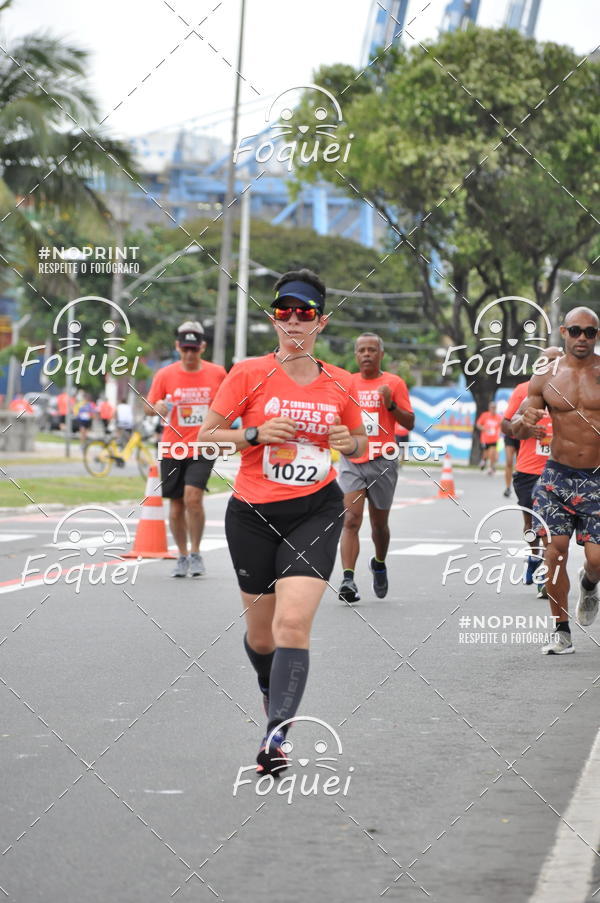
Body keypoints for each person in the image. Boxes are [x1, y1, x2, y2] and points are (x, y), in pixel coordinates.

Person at [198, 269, 366, 774]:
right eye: (284, 311)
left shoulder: (341, 381)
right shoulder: (248, 373)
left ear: (321, 321)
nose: (294, 320)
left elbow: (360, 443)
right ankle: (271, 688)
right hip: (251, 514)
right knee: (262, 637)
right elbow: (207, 436)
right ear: (273, 317)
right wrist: (252, 434)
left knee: (292, 623)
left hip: (315, 510)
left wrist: (347, 443)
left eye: (305, 312)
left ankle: (277, 738)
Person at [516, 307, 600, 654]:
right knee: (556, 551)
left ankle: (589, 584)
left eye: (590, 332)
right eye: (576, 331)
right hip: (556, 477)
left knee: (596, 560)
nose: (582, 338)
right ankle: (561, 630)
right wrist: (525, 422)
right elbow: (515, 424)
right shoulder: (545, 375)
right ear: (563, 332)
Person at [337, 333, 414, 604]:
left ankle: (379, 563)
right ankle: (348, 578)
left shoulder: (394, 383)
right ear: (356, 355)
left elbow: (410, 422)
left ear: (381, 354)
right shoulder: (346, 383)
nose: (366, 354)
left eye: (372, 350)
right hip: (352, 458)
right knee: (351, 519)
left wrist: (390, 403)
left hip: (383, 460)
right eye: (361, 350)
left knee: (379, 525)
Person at [146, 321, 226, 578]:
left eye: (194, 349)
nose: (189, 354)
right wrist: (156, 407)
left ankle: (195, 551)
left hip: (203, 446)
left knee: (193, 497)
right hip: (172, 447)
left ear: (202, 347)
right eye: (185, 349)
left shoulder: (217, 373)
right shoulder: (165, 374)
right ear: (177, 347)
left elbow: (230, 402)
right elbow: (149, 405)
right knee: (177, 505)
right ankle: (181, 555)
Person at [502, 347, 563, 594]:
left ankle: (545, 573)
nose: (551, 366)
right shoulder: (523, 390)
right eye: (546, 362)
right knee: (532, 523)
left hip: (559, 469)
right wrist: (528, 429)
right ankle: (534, 557)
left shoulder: (573, 392)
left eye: (556, 362)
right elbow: (507, 426)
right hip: (528, 469)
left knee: (551, 525)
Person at [476, 401, 502, 475]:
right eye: (492, 407)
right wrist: (483, 428)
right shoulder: (485, 415)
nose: (493, 409)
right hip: (485, 439)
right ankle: (484, 460)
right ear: (489, 408)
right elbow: (478, 424)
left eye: (494, 408)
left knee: (492, 453)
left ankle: (490, 467)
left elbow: (500, 426)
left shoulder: (498, 417)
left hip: (494, 439)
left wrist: (499, 433)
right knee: (486, 454)